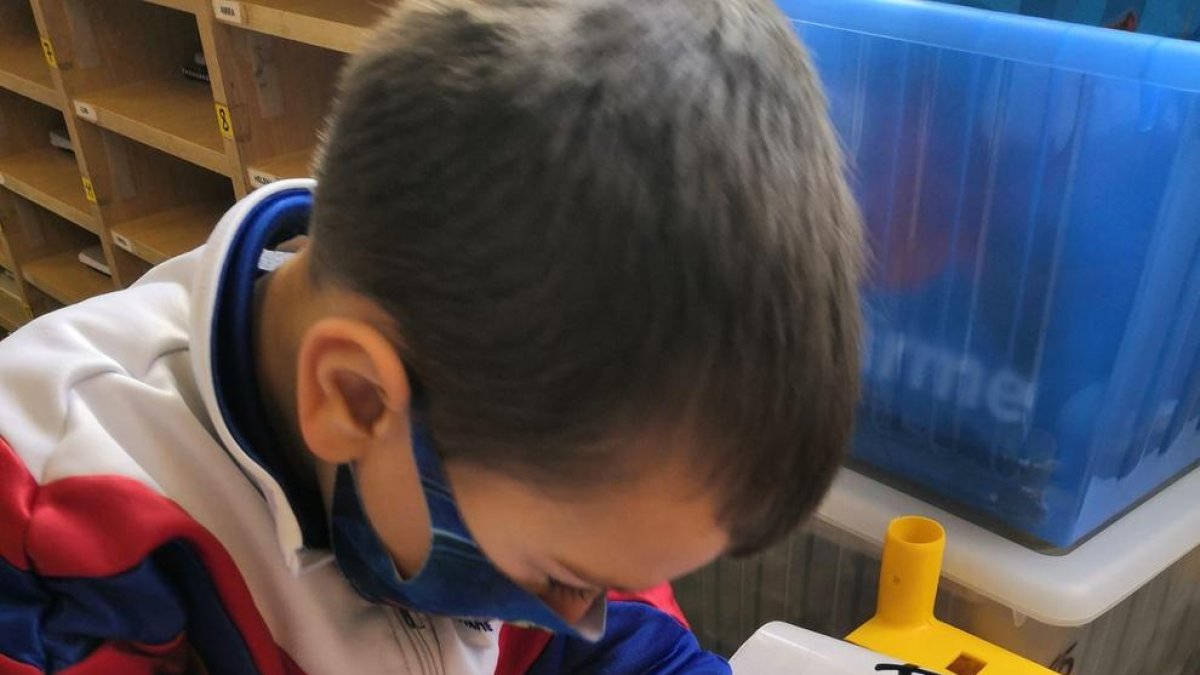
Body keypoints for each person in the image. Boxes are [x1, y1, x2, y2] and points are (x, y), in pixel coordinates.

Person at [0, 0, 863, 672]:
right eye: (565, 575)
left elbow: (629, 650)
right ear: (356, 397)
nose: (584, 608)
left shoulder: (567, 457)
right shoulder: (55, 507)